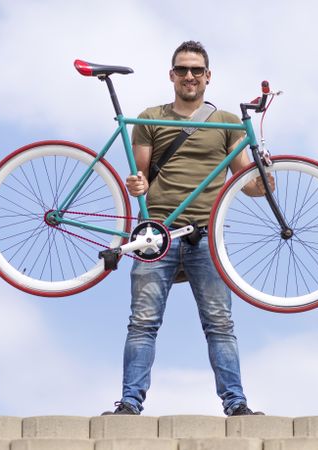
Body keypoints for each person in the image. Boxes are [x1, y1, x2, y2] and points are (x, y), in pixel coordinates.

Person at [103, 41, 270, 416]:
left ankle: (236, 404)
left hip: (204, 234)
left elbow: (248, 183)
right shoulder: (150, 118)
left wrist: (267, 180)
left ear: (208, 76)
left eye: (196, 70)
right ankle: (129, 403)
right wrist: (137, 186)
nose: (189, 76)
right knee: (142, 322)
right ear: (172, 75)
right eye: (182, 70)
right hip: (156, 233)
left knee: (220, 323)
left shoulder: (227, 122)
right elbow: (141, 177)